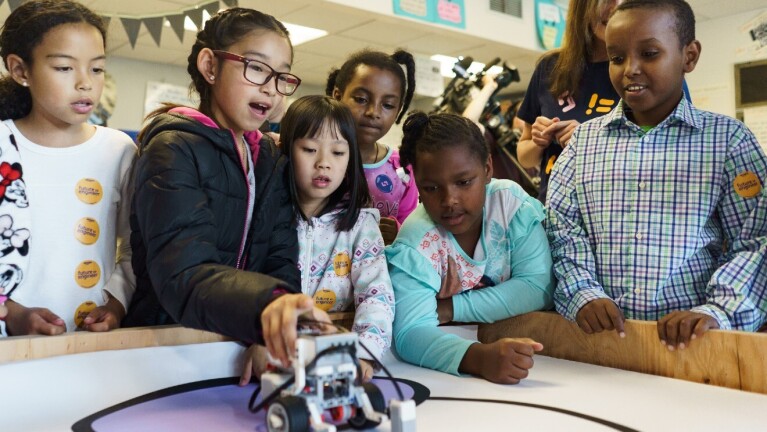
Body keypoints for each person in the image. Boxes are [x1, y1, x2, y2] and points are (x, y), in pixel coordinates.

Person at [547, 0, 767, 351]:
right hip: (599, 346)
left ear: (689, 56)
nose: (630, 69)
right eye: (617, 58)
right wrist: (582, 293)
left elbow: (754, 242)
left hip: (695, 348)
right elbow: (562, 231)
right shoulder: (582, 144)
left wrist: (715, 311)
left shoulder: (728, 141)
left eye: (649, 53)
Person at [122, 8, 329, 367]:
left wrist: (272, 331)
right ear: (210, 65)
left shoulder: (270, 158)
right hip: (165, 345)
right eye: (257, 67)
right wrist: (268, 304)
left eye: (281, 75)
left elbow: (281, 257)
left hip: (238, 341)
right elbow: (183, 271)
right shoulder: (172, 149)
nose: (270, 86)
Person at [387, 111, 554, 384]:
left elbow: (539, 287)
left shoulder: (511, 206)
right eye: (430, 188)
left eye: (464, 182)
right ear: (416, 181)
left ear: (488, 168)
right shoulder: (416, 243)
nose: (449, 200)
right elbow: (410, 332)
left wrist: (451, 307)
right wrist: (478, 358)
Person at [0, 0, 135, 336]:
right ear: (21, 71)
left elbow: (135, 247)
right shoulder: (3, 144)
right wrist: (12, 313)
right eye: (64, 68)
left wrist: (116, 303)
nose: (85, 83)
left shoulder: (118, 150)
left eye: (97, 68)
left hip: (87, 350)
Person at [241, 95, 395, 385]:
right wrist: (259, 337)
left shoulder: (361, 226)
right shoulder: (264, 217)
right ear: (285, 150)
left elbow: (377, 294)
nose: (324, 163)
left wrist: (364, 353)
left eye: (338, 153)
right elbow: (246, 286)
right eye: (310, 149)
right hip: (269, 355)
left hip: (335, 355)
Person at [516, 0, 623, 203]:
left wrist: (588, 139)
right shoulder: (550, 68)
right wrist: (539, 141)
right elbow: (525, 156)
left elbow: (660, 150)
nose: (614, 7)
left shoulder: (636, 71)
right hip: (553, 208)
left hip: (608, 211)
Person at [327, 49, 418, 245]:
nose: (373, 112)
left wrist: (398, 234)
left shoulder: (402, 171)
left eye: (387, 105)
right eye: (361, 100)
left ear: (398, 110)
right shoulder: (314, 159)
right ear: (337, 96)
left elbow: (413, 233)